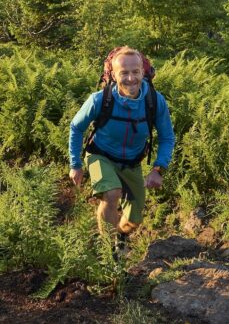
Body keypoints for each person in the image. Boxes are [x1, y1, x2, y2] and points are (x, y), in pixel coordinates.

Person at [68, 47, 175, 245]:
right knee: (111, 193)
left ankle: (120, 237)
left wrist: (158, 169)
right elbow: (76, 127)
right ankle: (109, 252)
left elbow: (167, 137)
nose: (130, 78)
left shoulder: (155, 101)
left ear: (143, 72)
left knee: (134, 220)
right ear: (113, 75)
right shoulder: (100, 100)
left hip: (132, 163)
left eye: (135, 72)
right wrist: (75, 164)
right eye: (124, 73)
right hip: (100, 155)